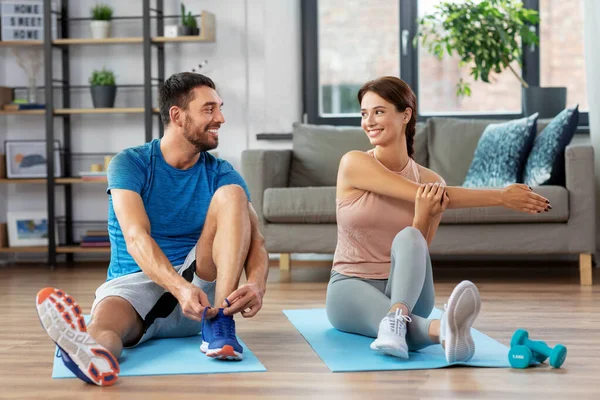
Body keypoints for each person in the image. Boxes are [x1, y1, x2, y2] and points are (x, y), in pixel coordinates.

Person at [35, 72, 269, 386]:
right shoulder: (131, 163)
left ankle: (221, 325)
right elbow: (135, 236)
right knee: (102, 330)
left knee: (232, 195)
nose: (221, 118)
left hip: (202, 294)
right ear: (177, 115)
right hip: (135, 284)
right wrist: (179, 289)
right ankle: (91, 355)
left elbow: (256, 242)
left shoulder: (221, 172)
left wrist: (256, 283)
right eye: (209, 109)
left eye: (220, 108)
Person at [325, 76, 551, 362]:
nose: (368, 121)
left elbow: (419, 250)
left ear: (405, 114)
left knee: (410, 236)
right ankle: (442, 330)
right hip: (351, 285)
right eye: (364, 113)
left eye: (379, 111)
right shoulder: (354, 163)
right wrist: (501, 197)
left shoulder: (432, 181)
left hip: (407, 288)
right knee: (399, 320)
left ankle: (402, 320)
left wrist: (421, 216)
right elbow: (418, 193)